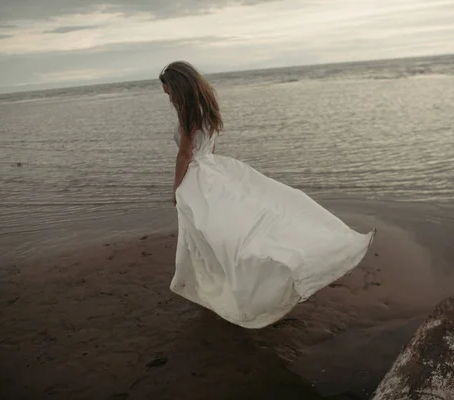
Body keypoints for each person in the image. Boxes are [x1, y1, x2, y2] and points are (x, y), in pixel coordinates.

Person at [159, 61, 375, 329]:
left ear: (178, 87)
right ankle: (223, 281)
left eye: (168, 91)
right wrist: (211, 171)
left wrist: (177, 188)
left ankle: (228, 285)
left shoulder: (188, 112)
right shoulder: (207, 104)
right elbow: (210, 146)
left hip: (198, 175)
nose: (167, 96)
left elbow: (184, 154)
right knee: (228, 224)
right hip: (213, 169)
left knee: (209, 232)